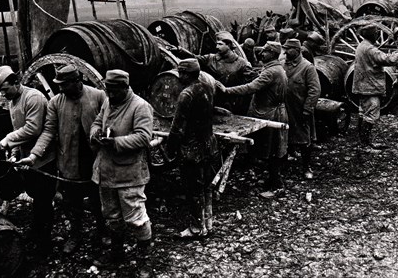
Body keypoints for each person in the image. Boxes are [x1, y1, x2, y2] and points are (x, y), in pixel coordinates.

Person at [18, 65, 108, 254]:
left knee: (98, 199)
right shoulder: (55, 103)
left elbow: (109, 123)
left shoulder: (98, 96)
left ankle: (103, 231)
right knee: (72, 202)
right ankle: (75, 235)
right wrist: (34, 155)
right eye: (58, 84)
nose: (60, 88)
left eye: (64, 84)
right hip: (69, 162)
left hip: (95, 160)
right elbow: (49, 131)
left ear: (77, 81)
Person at [89, 70, 154, 269]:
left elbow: (144, 137)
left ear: (125, 88)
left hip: (129, 173)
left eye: (114, 91)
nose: (110, 95)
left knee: (135, 217)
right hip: (106, 170)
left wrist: (116, 142)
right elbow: (98, 120)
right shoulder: (109, 100)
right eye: (107, 90)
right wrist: (95, 133)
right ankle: (116, 253)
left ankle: (145, 260)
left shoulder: (140, 106)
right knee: (112, 216)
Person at [0, 65, 55, 253]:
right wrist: (15, 152)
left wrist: (8, 140)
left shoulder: (33, 98)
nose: (3, 95)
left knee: (44, 199)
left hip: (43, 158)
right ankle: (36, 231)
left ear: (16, 82)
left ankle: (45, 241)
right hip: (27, 159)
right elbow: (18, 128)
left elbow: (33, 129)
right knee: (35, 196)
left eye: (4, 90)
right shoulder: (13, 99)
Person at [218, 42, 288, 190]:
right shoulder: (275, 68)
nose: (261, 54)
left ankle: (277, 186)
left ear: (272, 54)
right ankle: (272, 181)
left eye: (265, 52)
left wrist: (226, 90)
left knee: (273, 150)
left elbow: (251, 88)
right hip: (273, 111)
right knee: (272, 149)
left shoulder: (271, 72)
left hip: (271, 114)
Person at [166, 59, 219, 238]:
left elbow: (177, 128)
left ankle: (196, 228)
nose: (178, 76)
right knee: (206, 186)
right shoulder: (206, 87)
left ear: (186, 74)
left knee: (192, 189)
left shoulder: (186, 94)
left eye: (181, 73)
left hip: (192, 149)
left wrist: (170, 149)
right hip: (208, 144)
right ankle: (208, 223)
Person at [353, 24, 398, 149]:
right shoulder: (370, 49)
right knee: (371, 115)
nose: (377, 35)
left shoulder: (362, 45)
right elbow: (388, 60)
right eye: (376, 33)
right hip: (370, 86)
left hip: (362, 85)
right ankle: (365, 144)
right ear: (372, 35)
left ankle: (362, 141)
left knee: (363, 113)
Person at [282, 39, 321, 179]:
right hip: (285, 108)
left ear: (298, 51)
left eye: (288, 49)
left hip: (300, 109)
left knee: (304, 138)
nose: (285, 52)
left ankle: (306, 167)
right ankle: (285, 164)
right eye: (284, 49)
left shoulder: (307, 67)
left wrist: (307, 109)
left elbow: (315, 90)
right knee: (285, 136)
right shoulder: (282, 64)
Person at [195, 33, 252, 113]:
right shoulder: (210, 58)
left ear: (229, 45)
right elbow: (194, 58)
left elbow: (250, 84)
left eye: (220, 44)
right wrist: (179, 50)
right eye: (217, 44)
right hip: (212, 100)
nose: (217, 47)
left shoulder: (241, 63)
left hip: (231, 102)